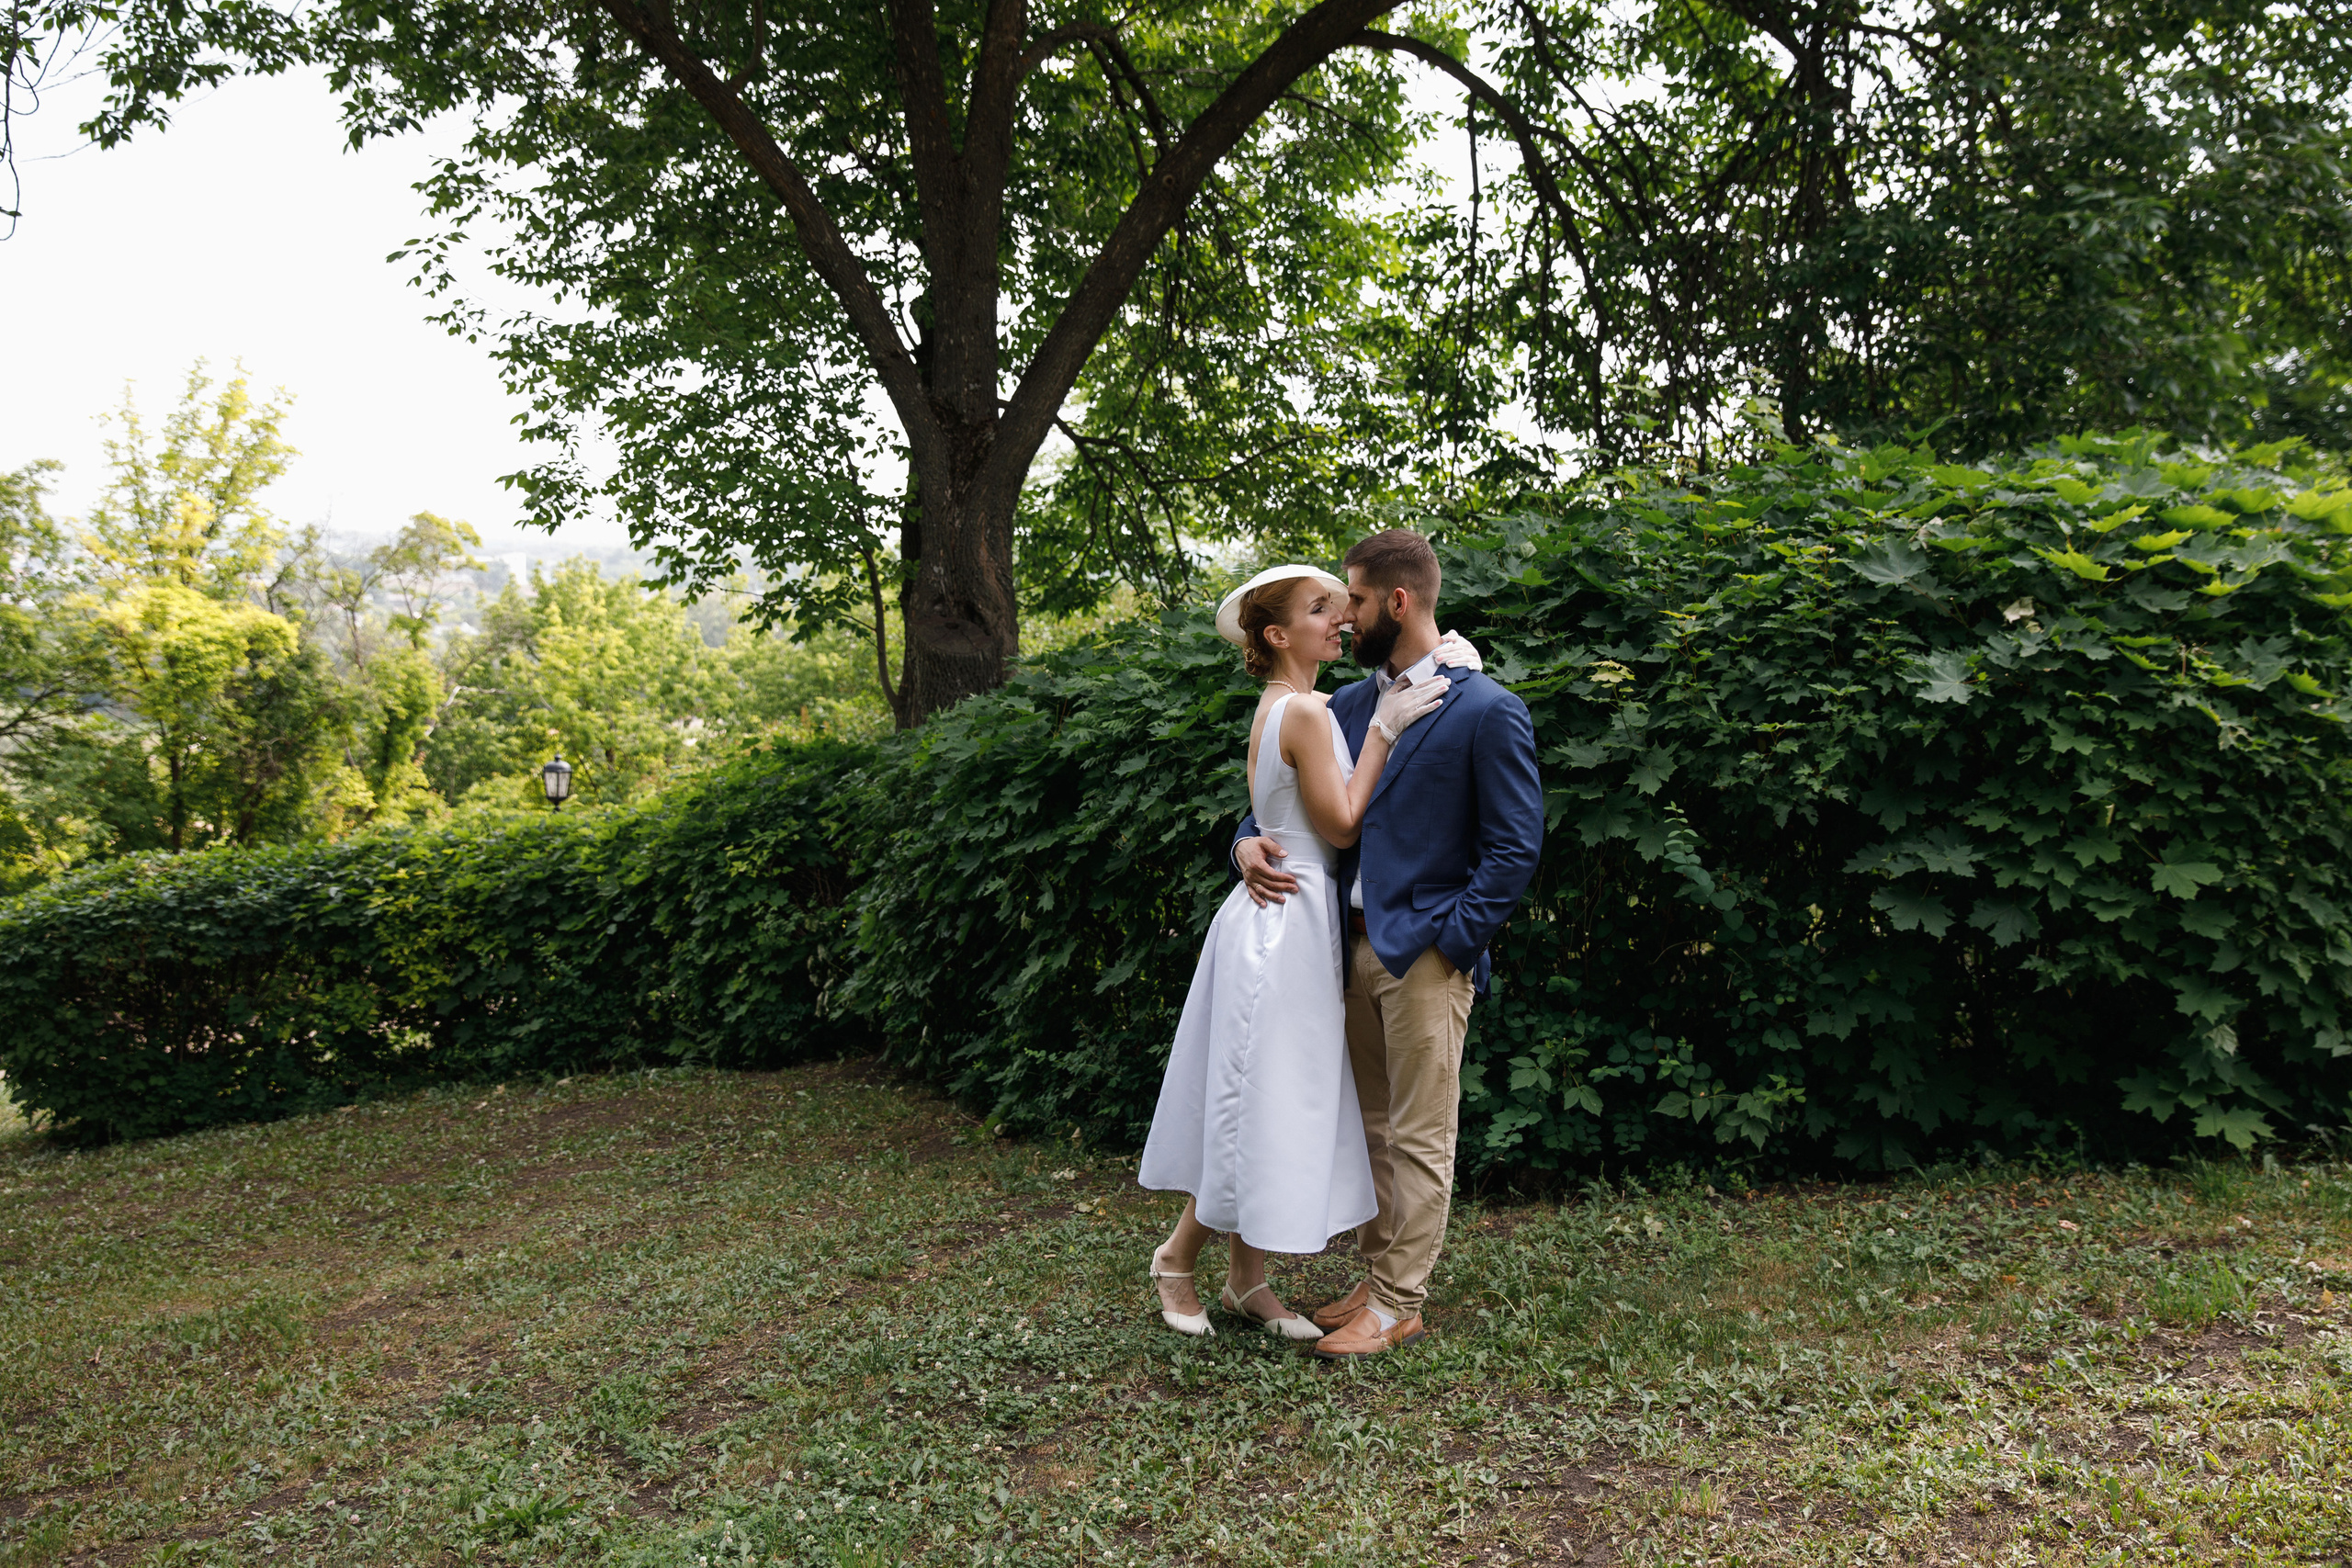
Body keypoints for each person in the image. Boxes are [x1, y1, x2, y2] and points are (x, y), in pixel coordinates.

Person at [1136, 563, 1483, 1339]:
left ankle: (1246, 1279)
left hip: (1295, 918)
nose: (1340, 621)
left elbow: (1285, 796)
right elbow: (1339, 824)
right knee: (1255, 1100)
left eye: (1341, 605)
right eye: (1320, 609)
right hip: (1284, 925)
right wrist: (1387, 732)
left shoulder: (1303, 705)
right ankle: (1176, 1257)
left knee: (1275, 1098)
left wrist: (1448, 665)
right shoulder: (1302, 712)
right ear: (1277, 633)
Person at [1233, 528, 1544, 1359]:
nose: (1345, 613)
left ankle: (1402, 1300)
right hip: (1342, 948)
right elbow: (1286, 798)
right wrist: (1241, 842)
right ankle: (1375, 1279)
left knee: (1419, 1135)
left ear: (1397, 603)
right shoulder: (1351, 707)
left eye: (1357, 600)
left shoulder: (1485, 707)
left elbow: (1515, 847)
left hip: (1426, 955)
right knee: (1369, 1129)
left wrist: (1454, 940)